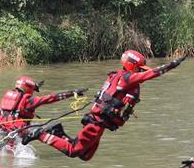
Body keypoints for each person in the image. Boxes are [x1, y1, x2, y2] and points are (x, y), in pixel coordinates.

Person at [22, 50, 184, 161]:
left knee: (85, 156)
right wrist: (172, 65)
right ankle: (40, 134)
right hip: (97, 122)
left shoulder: (119, 77)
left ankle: (58, 133)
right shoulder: (127, 78)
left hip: (100, 122)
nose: (140, 71)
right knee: (73, 151)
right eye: (139, 68)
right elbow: (150, 74)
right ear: (131, 65)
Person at [0, 77, 86, 135]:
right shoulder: (28, 100)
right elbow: (50, 98)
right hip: (14, 131)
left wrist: (35, 86)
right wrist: (71, 93)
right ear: (28, 88)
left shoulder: (9, 95)